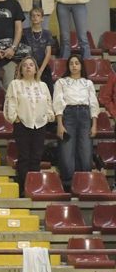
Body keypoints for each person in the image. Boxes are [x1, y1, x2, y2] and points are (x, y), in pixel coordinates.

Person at [5, 56, 55, 197]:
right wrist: (14, 118)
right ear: (21, 69)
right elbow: (10, 102)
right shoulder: (15, 84)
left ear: (35, 69)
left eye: (31, 65)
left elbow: (48, 102)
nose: (28, 67)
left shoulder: (42, 86)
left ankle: (34, 187)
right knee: (24, 157)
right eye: (25, 65)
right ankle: (23, 188)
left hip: (40, 124)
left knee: (36, 158)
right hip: (23, 124)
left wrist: (49, 116)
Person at [54, 53, 101, 191]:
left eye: (77, 63)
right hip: (68, 115)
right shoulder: (61, 82)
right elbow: (58, 102)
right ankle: (68, 185)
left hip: (85, 115)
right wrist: (60, 123)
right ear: (68, 66)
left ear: (81, 66)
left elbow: (93, 103)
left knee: (85, 151)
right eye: (71, 63)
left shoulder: (88, 83)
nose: (74, 66)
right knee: (67, 151)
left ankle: (84, 184)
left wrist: (94, 124)